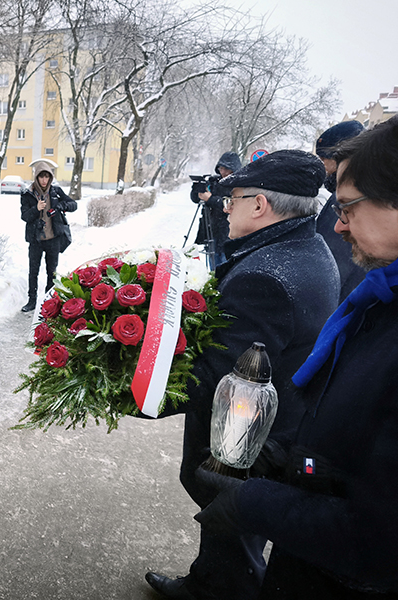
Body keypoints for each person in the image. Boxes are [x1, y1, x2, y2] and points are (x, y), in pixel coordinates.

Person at [194, 115, 398, 599]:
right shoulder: (379, 291)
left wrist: (257, 501)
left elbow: (380, 536)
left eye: (348, 206)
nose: (339, 223)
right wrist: (290, 459)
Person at [146, 150, 340, 600]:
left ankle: (223, 589)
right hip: (281, 426)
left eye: (234, 198)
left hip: (243, 442)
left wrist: (141, 392)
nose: (225, 206)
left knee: (233, 524)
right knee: (229, 528)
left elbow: (221, 376)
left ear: (261, 205)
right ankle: (205, 582)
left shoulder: (266, 276)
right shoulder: (304, 248)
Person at [315, 120, 366, 302]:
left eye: (323, 159)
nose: (322, 167)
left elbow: (335, 260)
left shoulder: (347, 197)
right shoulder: (345, 193)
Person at [19, 160, 77, 313]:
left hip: (53, 239)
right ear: (36, 178)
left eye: (47, 177)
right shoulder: (28, 194)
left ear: (50, 177)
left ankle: (48, 301)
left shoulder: (56, 192)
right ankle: (31, 301)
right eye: (41, 177)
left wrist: (60, 206)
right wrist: (36, 209)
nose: (44, 180)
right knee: (34, 271)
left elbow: (73, 205)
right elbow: (24, 216)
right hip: (35, 240)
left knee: (52, 271)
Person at [191, 151, 242, 270]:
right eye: (221, 168)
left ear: (234, 168)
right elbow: (196, 200)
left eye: (226, 169)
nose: (222, 172)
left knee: (225, 265)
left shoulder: (239, 185)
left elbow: (231, 205)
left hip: (229, 231)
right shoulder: (214, 182)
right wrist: (196, 189)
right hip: (211, 229)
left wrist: (210, 199)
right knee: (212, 267)